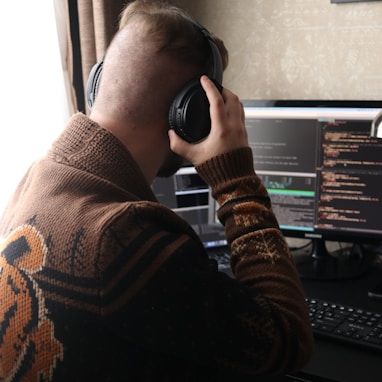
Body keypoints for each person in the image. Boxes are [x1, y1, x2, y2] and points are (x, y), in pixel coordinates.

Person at [0, 1, 313, 381]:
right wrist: (236, 181)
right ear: (192, 112)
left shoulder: (37, 179)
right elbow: (287, 339)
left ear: (100, 81)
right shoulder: (120, 235)